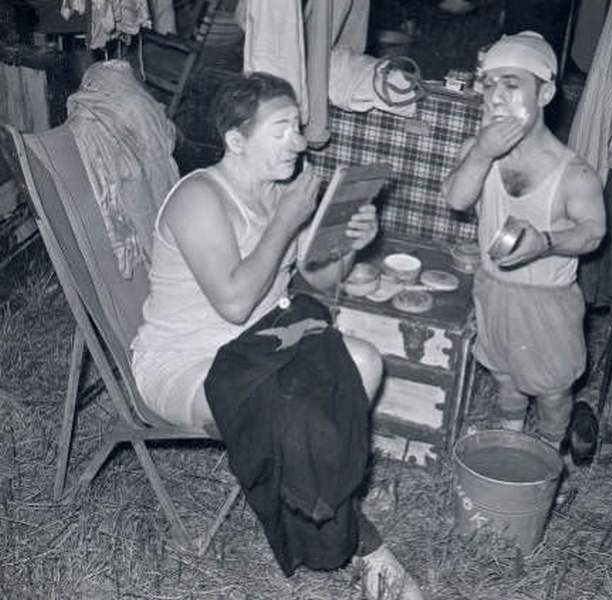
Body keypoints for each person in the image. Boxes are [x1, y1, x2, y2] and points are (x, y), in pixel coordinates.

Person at [130, 72, 423, 600]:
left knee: (364, 362)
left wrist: (350, 243)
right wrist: (286, 222)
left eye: (298, 128)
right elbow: (235, 301)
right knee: (301, 406)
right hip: (189, 364)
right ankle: (364, 542)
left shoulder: (280, 192)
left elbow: (318, 280)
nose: (300, 142)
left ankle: (332, 490)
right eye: (283, 129)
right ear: (236, 141)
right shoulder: (200, 197)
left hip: (264, 346)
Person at [442, 31, 605, 454]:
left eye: (511, 85)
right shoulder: (477, 151)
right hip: (494, 289)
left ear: (546, 92)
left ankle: (549, 460)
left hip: (547, 300)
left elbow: (593, 233)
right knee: (504, 378)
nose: (495, 97)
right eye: (489, 84)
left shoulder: (575, 173)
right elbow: (457, 199)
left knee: (551, 392)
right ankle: (511, 450)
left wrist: (547, 243)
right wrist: (480, 153)